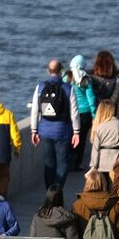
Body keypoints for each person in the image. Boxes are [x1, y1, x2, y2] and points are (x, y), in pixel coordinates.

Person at [30, 60, 79, 191]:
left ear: (48, 71)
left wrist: (34, 131)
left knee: (49, 163)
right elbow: (74, 113)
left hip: (45, 131)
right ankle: (57, 191)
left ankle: (49, 193)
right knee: (63, 162)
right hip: (62, 132)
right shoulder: (68, 88)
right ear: (61, 71)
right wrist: (77, 132)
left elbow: (35, 111)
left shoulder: (40, 87)